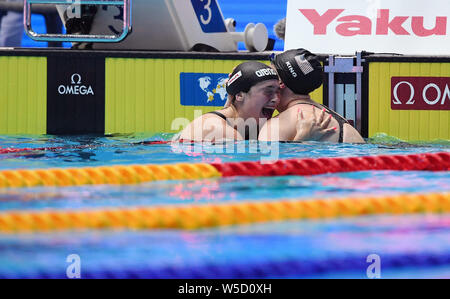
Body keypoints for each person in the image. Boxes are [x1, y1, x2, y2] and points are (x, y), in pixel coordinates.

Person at [177, 61, 331, 143]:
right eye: (268, 91)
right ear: (239, 95)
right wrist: (303, 139)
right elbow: (262, 176)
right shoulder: (222, 131)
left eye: (278, 91)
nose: (276, 99)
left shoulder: (248, 122)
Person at [258, 48, 365, 143]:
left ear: (280, 82)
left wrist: (301, 141)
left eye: (270, 73)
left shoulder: (276, 126)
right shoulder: (335, 117)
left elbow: (266, 164)